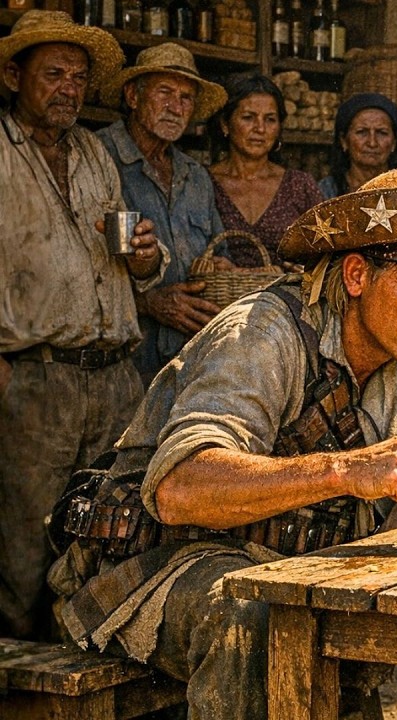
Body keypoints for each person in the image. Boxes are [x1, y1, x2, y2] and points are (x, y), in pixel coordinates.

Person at [49, 167, 397, 720]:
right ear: (358, 275)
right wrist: (345, 471)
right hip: (164, 563)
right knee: (255, 615)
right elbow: (179, 487)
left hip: (305, 572)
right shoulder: (264, 333)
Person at [0, 10, 164, 640]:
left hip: (113, 378)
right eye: (53, 74)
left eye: (77, 76)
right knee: (22, 554)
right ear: (15, 76)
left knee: (108, 541)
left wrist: (147, 256)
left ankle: (89, 690)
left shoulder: (93, 150)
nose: (68, 87)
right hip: (35, 384)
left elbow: (135, 262)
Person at [98, 42, 229, 383]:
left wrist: (220, 269)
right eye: (165, 92)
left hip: (191, 360)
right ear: (133, 96)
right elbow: (78, 265)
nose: (176, 106)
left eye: (186, 98)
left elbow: (219, 251)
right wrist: (147, 303)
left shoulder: (196, 175)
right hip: (121, 362)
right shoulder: (98, 156)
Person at [208, 73, 325, 269]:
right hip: (219, 296)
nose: (260, 128)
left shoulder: (299, 185)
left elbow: (328, 250)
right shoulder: (203, 182)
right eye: (248, 118)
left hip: (286, 296)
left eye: (270, 119)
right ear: (225, 124)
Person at [318, 92, 397, 199]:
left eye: (382, 133)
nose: (372, 143)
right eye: (361, 132)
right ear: (344, 141)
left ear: (394, 143)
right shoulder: (326, 191)